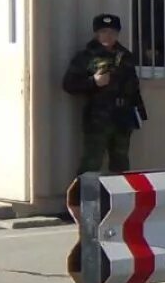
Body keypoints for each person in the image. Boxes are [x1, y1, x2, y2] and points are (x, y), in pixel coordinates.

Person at [62, 13, 147, 175]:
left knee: (121, 163)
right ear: (97, 33)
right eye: (104, 31)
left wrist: (140, 112)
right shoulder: (86, 56)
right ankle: (85, 200)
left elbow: (133, 86)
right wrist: (94, 82)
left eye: (113, 32)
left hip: (122, 118)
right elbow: (68, 84)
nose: (108, 36)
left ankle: (119, 198)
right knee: (92, 162)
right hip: (98, 119)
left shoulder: (125, 56)